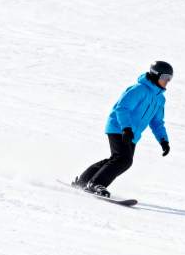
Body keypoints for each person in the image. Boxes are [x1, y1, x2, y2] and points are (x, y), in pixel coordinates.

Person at [72, 61, 173, 197]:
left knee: (117, 159)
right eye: (165, 77)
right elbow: (122, 108)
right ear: (155, 75)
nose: (167, 81)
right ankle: (95, 184)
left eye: (169, 79)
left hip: (132, 134)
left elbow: (157, 122)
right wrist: (126, 128)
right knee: (123, 160)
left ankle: (84, 181)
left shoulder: (160, 99)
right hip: (118, 127)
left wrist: (163, 140)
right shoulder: (139, 89)